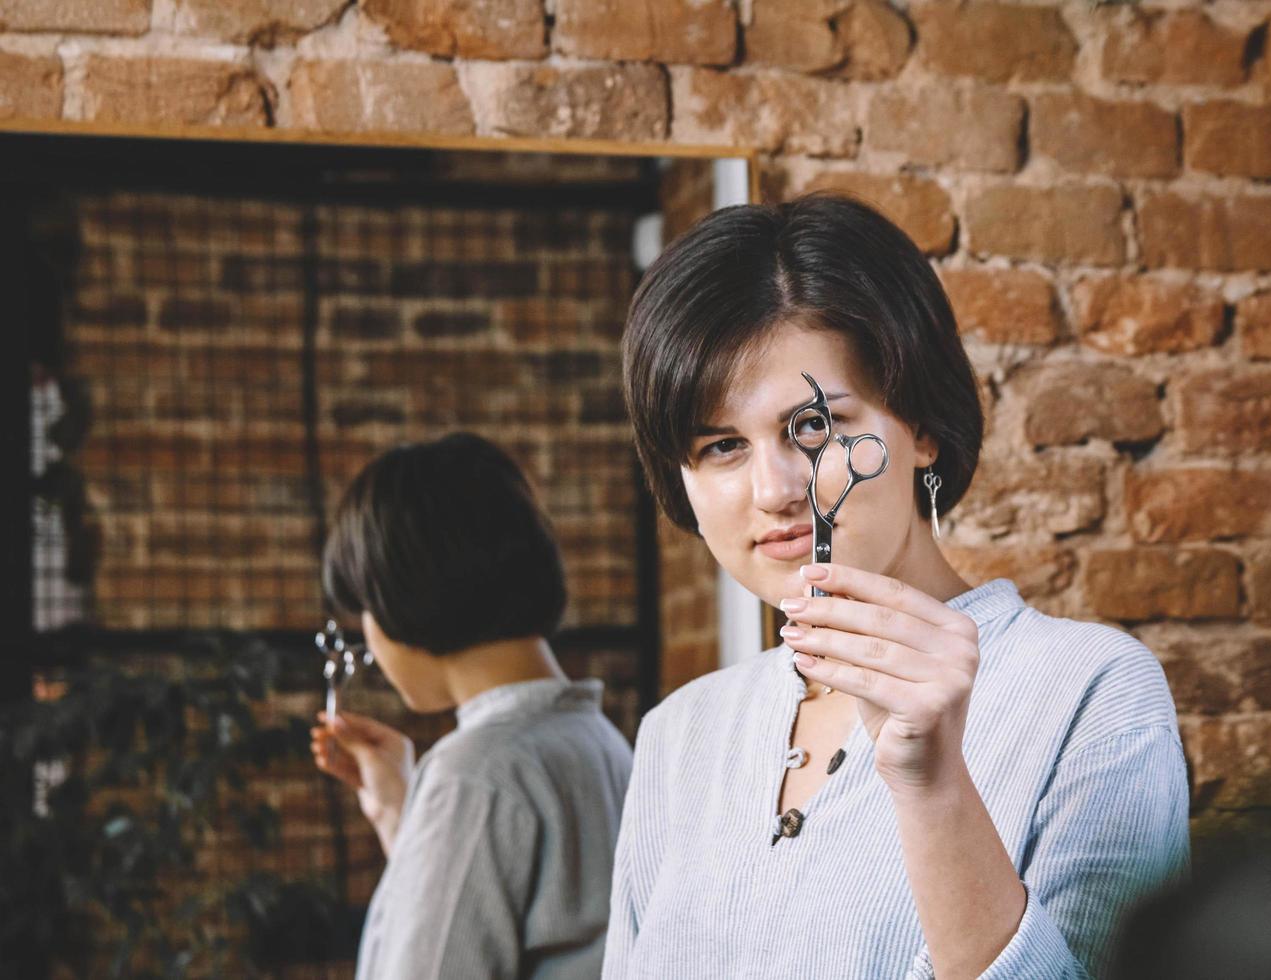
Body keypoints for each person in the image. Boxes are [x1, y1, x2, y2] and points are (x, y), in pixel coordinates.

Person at [603, 194, 1190, 979]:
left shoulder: (1091, 691)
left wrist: (934, 785)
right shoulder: (681, 734)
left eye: (813, 428)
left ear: (920, 427)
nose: (773, 489)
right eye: (720, 446)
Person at [309, 432, 633, 979]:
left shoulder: (477, 775)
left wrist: (439, 797)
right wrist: (399, 810)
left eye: (363, 609)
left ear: (399, 599)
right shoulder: (599, 742)